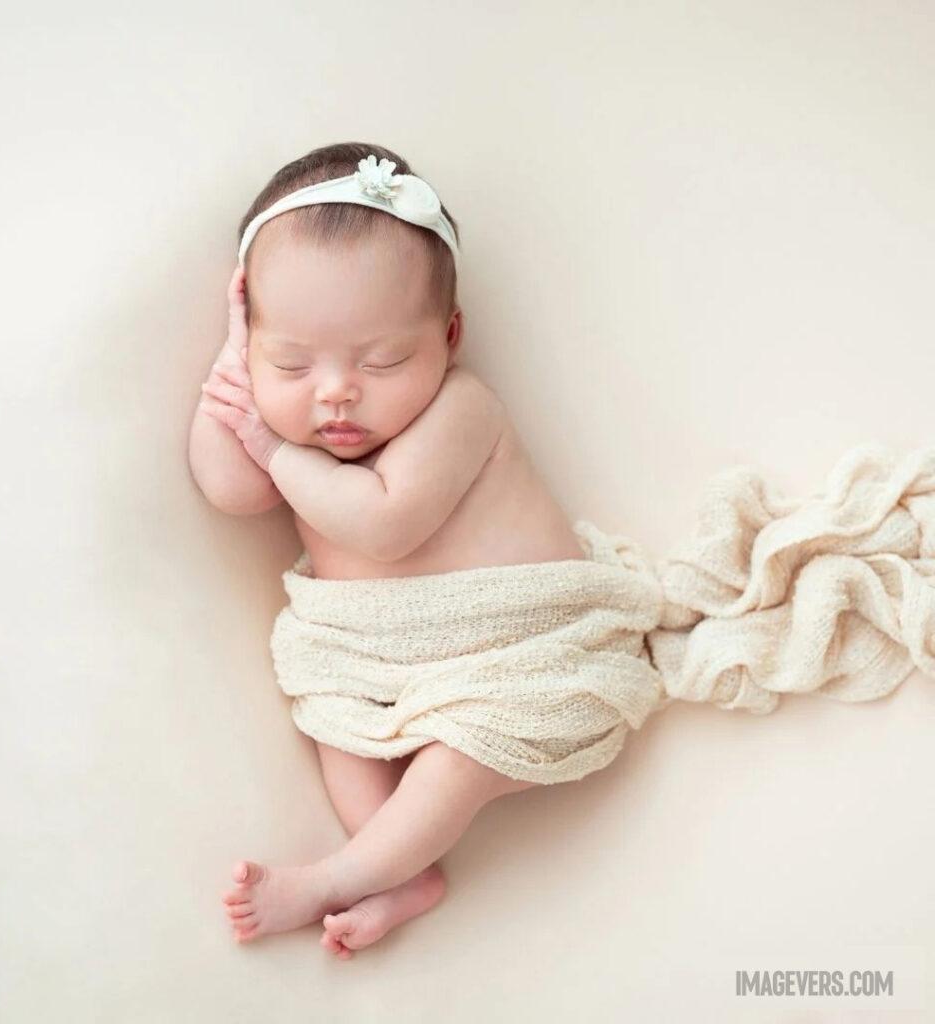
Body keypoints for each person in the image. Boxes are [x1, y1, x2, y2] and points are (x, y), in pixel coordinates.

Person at [189, 141, 935, 960]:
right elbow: (230, 488)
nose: (335, 392)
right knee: (331, 721)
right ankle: (402, 871)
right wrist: (235, 382)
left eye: (383, 359)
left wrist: (274, 438)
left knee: (457, 756)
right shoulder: (285, 434)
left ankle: (339, 876)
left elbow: (382, 523)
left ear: (449, 337)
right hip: (369, 660)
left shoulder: (459, 411)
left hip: (532, 663)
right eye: (290, 361)